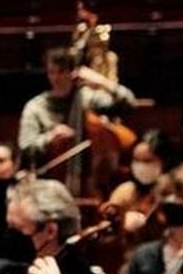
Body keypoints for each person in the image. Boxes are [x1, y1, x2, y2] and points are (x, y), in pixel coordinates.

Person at [18, 47, 136, 195]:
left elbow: (129, 101)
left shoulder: (86, 98)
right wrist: (49, 138)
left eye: (61, 72)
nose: (55, 78)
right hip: (49, 184)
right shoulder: (35, 107)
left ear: (73, 72)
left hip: (90, 180)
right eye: (51, 72)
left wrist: (101, 81)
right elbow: (25, 146)